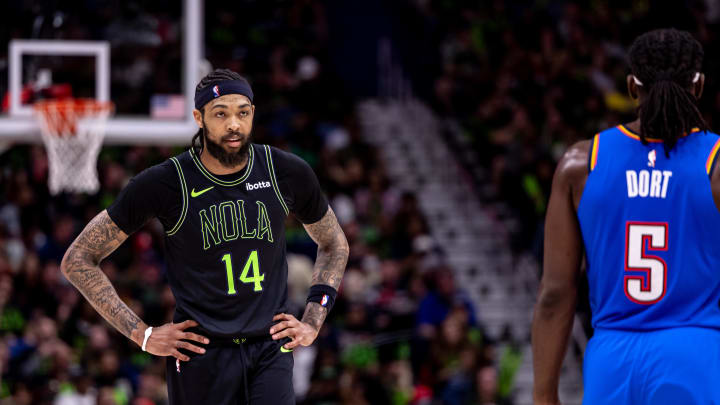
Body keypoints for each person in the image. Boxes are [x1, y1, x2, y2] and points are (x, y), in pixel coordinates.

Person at [60, 68, 349, 405]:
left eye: (242, 112)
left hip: (270, 349)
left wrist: (313, 320)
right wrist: (141, 334)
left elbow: (334, 243)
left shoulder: (285, 171)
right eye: (220, 113)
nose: (233, 124)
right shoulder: (166, 182)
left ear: (253, 113)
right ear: (198, 117)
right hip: (201, 355)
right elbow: (78, 259)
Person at [532, 28, 720, 404]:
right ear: (698, 86)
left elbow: (555, 293)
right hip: (695, 354)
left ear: (633, 87)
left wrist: (544, 395)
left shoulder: (580, 165)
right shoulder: (716, 164)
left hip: (610, 361)